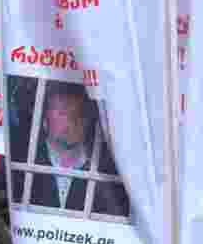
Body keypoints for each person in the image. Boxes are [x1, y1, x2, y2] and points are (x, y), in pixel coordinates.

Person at [9, 79, 128, 217]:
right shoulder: (20, 163)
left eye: (79, 113)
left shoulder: (108, 171)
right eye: (63, 112)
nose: (73, 120)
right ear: (44, 119)